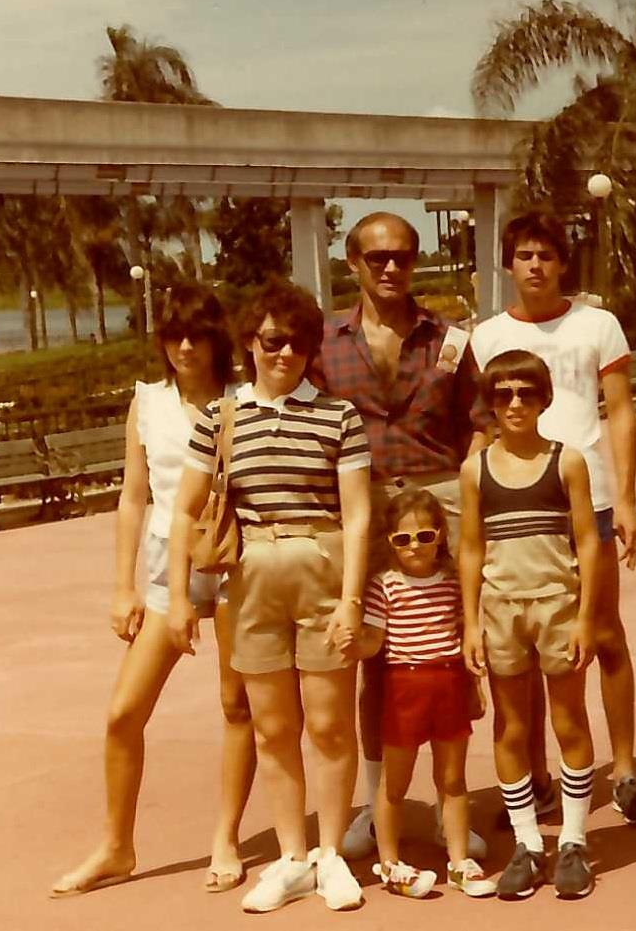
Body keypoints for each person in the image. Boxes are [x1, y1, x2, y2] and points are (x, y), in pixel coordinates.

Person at [165, 278, 372, 915]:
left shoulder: (339, 417)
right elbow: (185, 510)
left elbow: (359, 514)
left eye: (300, 344)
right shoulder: (220, 418)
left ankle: (329, 852)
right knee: (274, 730)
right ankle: (290, 857)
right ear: (251, 342)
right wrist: (179, 598)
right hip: (250, 577)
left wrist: (351, 601)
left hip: (321, 566)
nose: (286, 355)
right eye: (274, 342)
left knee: (332, 724)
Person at [51, 282, 256, 898]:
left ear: (217, 339)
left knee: (235, 706)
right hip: (169, 578)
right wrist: (123, 587)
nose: (184, 347)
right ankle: (117, 845)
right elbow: (133, 497)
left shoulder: (245, 401)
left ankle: (226, 836)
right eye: (173, 335)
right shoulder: (148, 401)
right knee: (122, 714)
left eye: (195, 335)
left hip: (236, 573)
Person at [308, 210, 488, 862]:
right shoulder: (323, 342)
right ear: (352, 263)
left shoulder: (450, 339)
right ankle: (378, 797)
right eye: (376, 257)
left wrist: (473, 501)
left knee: (453, 648)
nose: (390, 267)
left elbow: (477, 426)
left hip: (439, 503)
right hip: (362, 508)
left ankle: (449, 805)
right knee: (376, 656)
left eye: (402, 256)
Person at [469, 212, 636, 827]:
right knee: (521, 645)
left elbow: (621, 411)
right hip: (516, 506)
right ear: (508, 264)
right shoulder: (487, 336)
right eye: (524, 255)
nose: (535, 266)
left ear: (563, 263)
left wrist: (626, 497)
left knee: (602, 633)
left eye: (546, 255)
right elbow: (479, 427)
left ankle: (625, 770)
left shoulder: (596, 324)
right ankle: (537, 781)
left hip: (590, 497)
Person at [460, 350, 600, 899]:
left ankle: (573, 840)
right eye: (502, 394)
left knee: (568, 720)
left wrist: (586, 615)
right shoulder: (476, 469)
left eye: (525, 392)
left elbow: (587, 540)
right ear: (490, 404)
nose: (514, 403)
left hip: (557, 605)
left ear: (543, 398)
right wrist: (471, 622)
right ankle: (526, 842)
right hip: (501, 609)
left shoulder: (566, 462)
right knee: (510, 727)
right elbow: (471, 546)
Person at [348, 487, 498, 900]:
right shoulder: (384, 586)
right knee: (394, 783)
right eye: (403, 538)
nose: (415, 546)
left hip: (448, 681)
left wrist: (474, 685)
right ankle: (390, 863)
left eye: (425, 536)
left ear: (441, 536)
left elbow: (464, 636)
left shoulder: (453, 582)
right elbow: (373, 643)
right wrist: (348, 639)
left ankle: (459, 862)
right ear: (390, 543)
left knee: (452, 779)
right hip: (404, 687)